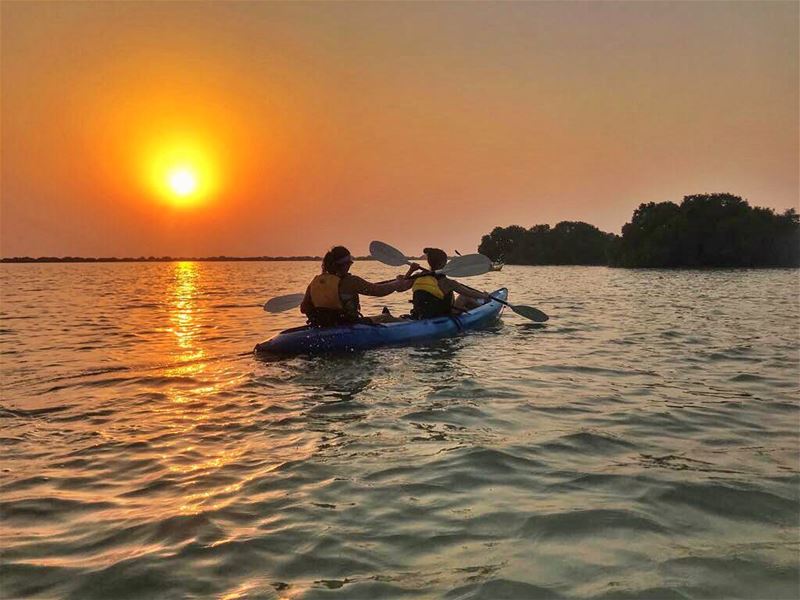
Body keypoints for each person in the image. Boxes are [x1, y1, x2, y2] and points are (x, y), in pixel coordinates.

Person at [301, 246, 411, 327]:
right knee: (386, 317)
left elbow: (304, 308)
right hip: (348, 323)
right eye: (349, 263)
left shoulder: (315, 282)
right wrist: (397, 283)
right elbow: (378, 291)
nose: (350, 265)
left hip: (321, 325)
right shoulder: (351, 281)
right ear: (343, 265)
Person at [405, 247, 491, 319]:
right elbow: (469, 293)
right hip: (442, 316)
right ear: (443, 263)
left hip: (422, 315)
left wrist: (411, 270)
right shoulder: (448, 283)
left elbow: (401, 286)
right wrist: (484, 296)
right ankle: (485, 309)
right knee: (464, 297)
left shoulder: (418, 276)